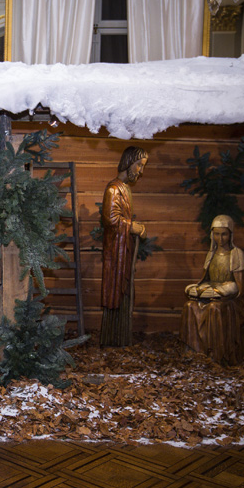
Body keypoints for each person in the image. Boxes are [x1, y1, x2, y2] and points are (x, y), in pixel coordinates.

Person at [180, 215, 244, 365]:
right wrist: (199, 289)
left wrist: (223, 291)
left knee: (214, 309)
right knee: (189, 306)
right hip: (213, 293)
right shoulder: (211, 254)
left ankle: (216, 353)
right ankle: (193, 351)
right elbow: (206, 279)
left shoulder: (236, 254)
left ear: (230, 234)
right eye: (217, 234)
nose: (220, 238)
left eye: (224, 234)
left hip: (231, 300)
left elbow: (240, 287)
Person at [100, 145, 148, 347]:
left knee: (124, 290)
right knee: (115, 290)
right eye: (138, 165)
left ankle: (121, 337)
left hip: (123, 248)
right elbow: (110, 219)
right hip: (115, 251)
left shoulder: (125, 188)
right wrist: (132, 227)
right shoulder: (113, 189)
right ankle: (111, 337)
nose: (140, 170)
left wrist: (131, 228)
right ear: (128, 162)